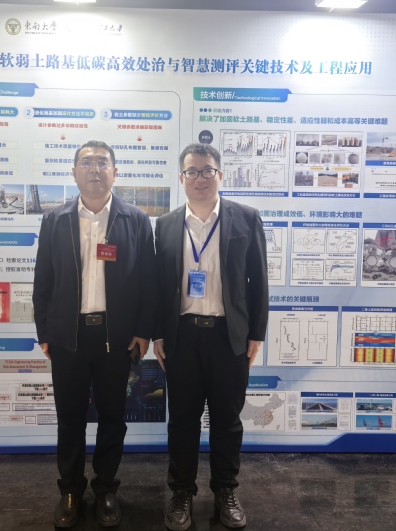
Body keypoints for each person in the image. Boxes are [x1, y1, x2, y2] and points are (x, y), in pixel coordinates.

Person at [33, 140, 156, 528]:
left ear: (115, 173)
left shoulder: (136, 220)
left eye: (103, 162)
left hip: (115, 338)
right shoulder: (55, 220)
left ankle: (106, 489)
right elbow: (43, 280)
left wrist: (143, 331)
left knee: (113, 417)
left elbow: (148, 282)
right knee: (69, 418)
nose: (95, 169)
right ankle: (70, 490)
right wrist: (44, 331)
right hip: (68, 337)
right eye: (86, 162)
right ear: (74, 173)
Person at [153, 143, 268, 530]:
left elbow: (258, 281)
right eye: (191, 171)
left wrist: (256, 333)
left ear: (220, 175)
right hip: (182, 337)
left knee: (227, 422)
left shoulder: (246, 218)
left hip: (228, 337)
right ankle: (181, 492)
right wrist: (158, 333)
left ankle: (225, 492)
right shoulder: (166, 224)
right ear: (181, 178)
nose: (199, 178)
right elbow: (160, 286)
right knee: (182, 422)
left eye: (206, 171)